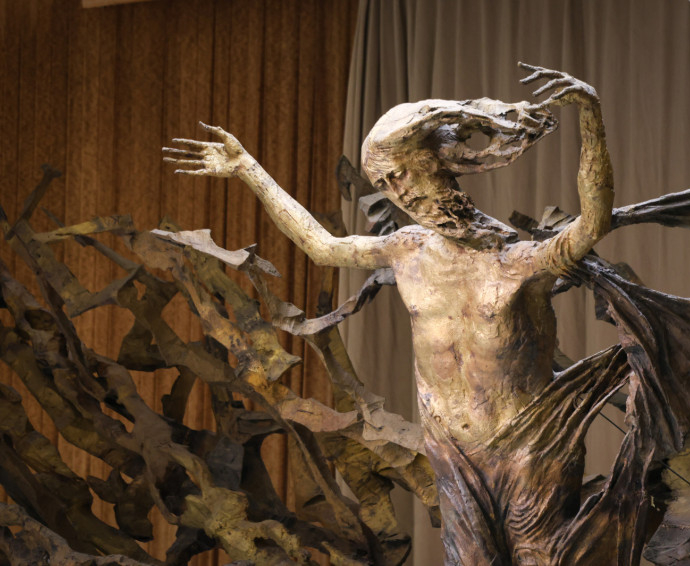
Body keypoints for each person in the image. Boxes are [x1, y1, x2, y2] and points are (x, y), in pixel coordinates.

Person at [164, 63, 615, 565]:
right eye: (383, 183)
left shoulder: (520, 262)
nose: (398, 193)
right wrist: (250, 169)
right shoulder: (407, 249)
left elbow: (592, 225)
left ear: (433, 160)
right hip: (454, 455)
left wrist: (590, 118)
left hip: (531, 448)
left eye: (399, 174)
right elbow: (322, 247)